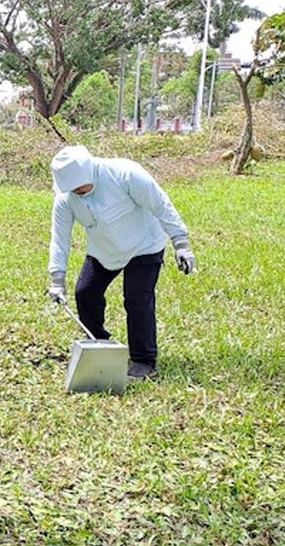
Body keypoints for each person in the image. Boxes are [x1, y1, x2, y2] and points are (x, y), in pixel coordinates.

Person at [46, 145, 197, 380]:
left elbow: (161, 204)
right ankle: (99, 345)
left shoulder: (125, 174)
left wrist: (181, 243)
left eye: (79, 187)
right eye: (71, 189)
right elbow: (60, 238)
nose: (76, 192)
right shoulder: (66, 198)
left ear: (89, 173)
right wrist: (57, 279)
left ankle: (144, 360)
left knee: (137, 299)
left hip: (144, 245)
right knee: (85, 293)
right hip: (104, 250)